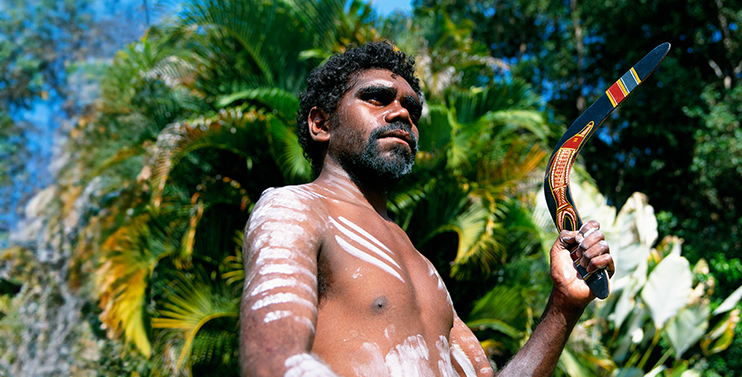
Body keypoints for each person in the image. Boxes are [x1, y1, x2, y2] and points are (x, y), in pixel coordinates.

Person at [239, 41, 614, 377]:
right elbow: (274, 363)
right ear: (321, 124)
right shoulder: (294, 209)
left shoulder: (422, 267)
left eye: (411, 108)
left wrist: (563, 305)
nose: (401, 113)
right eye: (377, 98)